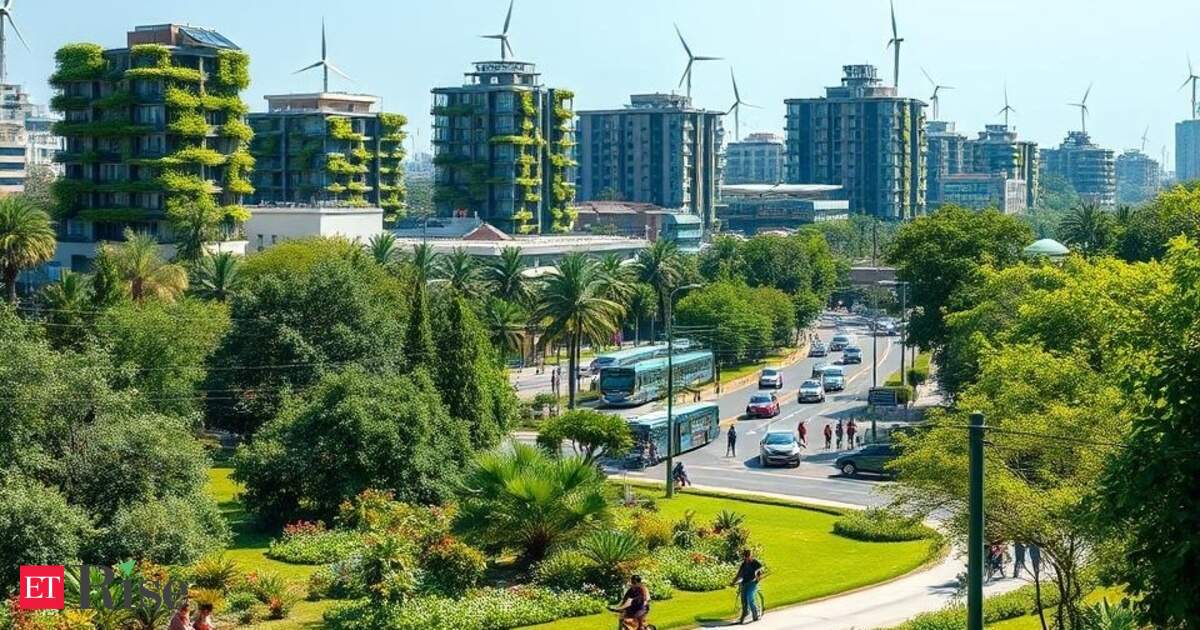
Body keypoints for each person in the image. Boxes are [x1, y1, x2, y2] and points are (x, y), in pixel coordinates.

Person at [730, 548, 765, 623]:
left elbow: (760, 569)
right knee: (743, 599)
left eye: (748, 556)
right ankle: (745, 613)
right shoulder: (743, 564)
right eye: (746, 556)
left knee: (750, 597)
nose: (747, 558)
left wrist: (757, 576)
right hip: (744, 583)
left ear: (750, 555)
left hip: (752, 582)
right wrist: (733, 582)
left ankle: (755, 615)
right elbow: (739, 574)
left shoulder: (754, 562)